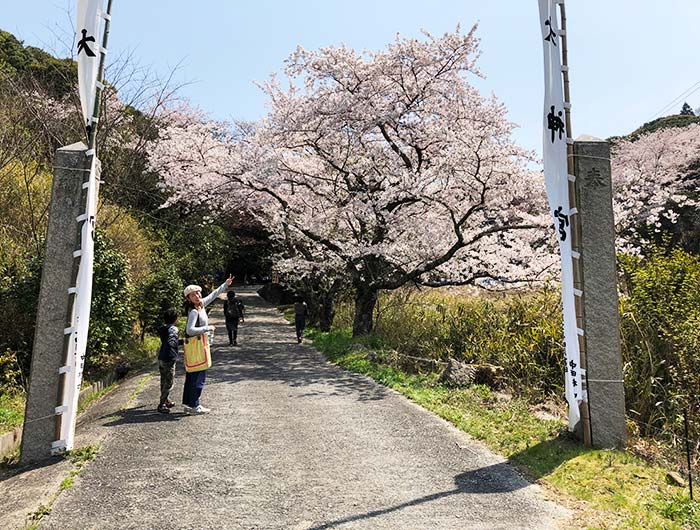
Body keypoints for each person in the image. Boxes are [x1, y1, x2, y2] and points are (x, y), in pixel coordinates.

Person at [182, 274, 233, 414]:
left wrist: (225, 284)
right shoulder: (193, 311)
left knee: (192, 375)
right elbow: (189, 330)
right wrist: (207, 328)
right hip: (197, 346)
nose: (197, 296)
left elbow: (213, 295)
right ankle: (195, 405)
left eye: (198, 293)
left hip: (199, 345)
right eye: (193, 295)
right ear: (188, 298)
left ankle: (189, 404)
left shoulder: (201, 305)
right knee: (198, 377)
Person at [157, 308, 182, 414]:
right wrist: (183, 341)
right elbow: (172, 342)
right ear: (175, 319)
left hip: (161, 357)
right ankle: (162, 404)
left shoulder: (162, 328)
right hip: (169, 358)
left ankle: (166, 400)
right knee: (169, 382)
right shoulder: (173, 329)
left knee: (163, 380)